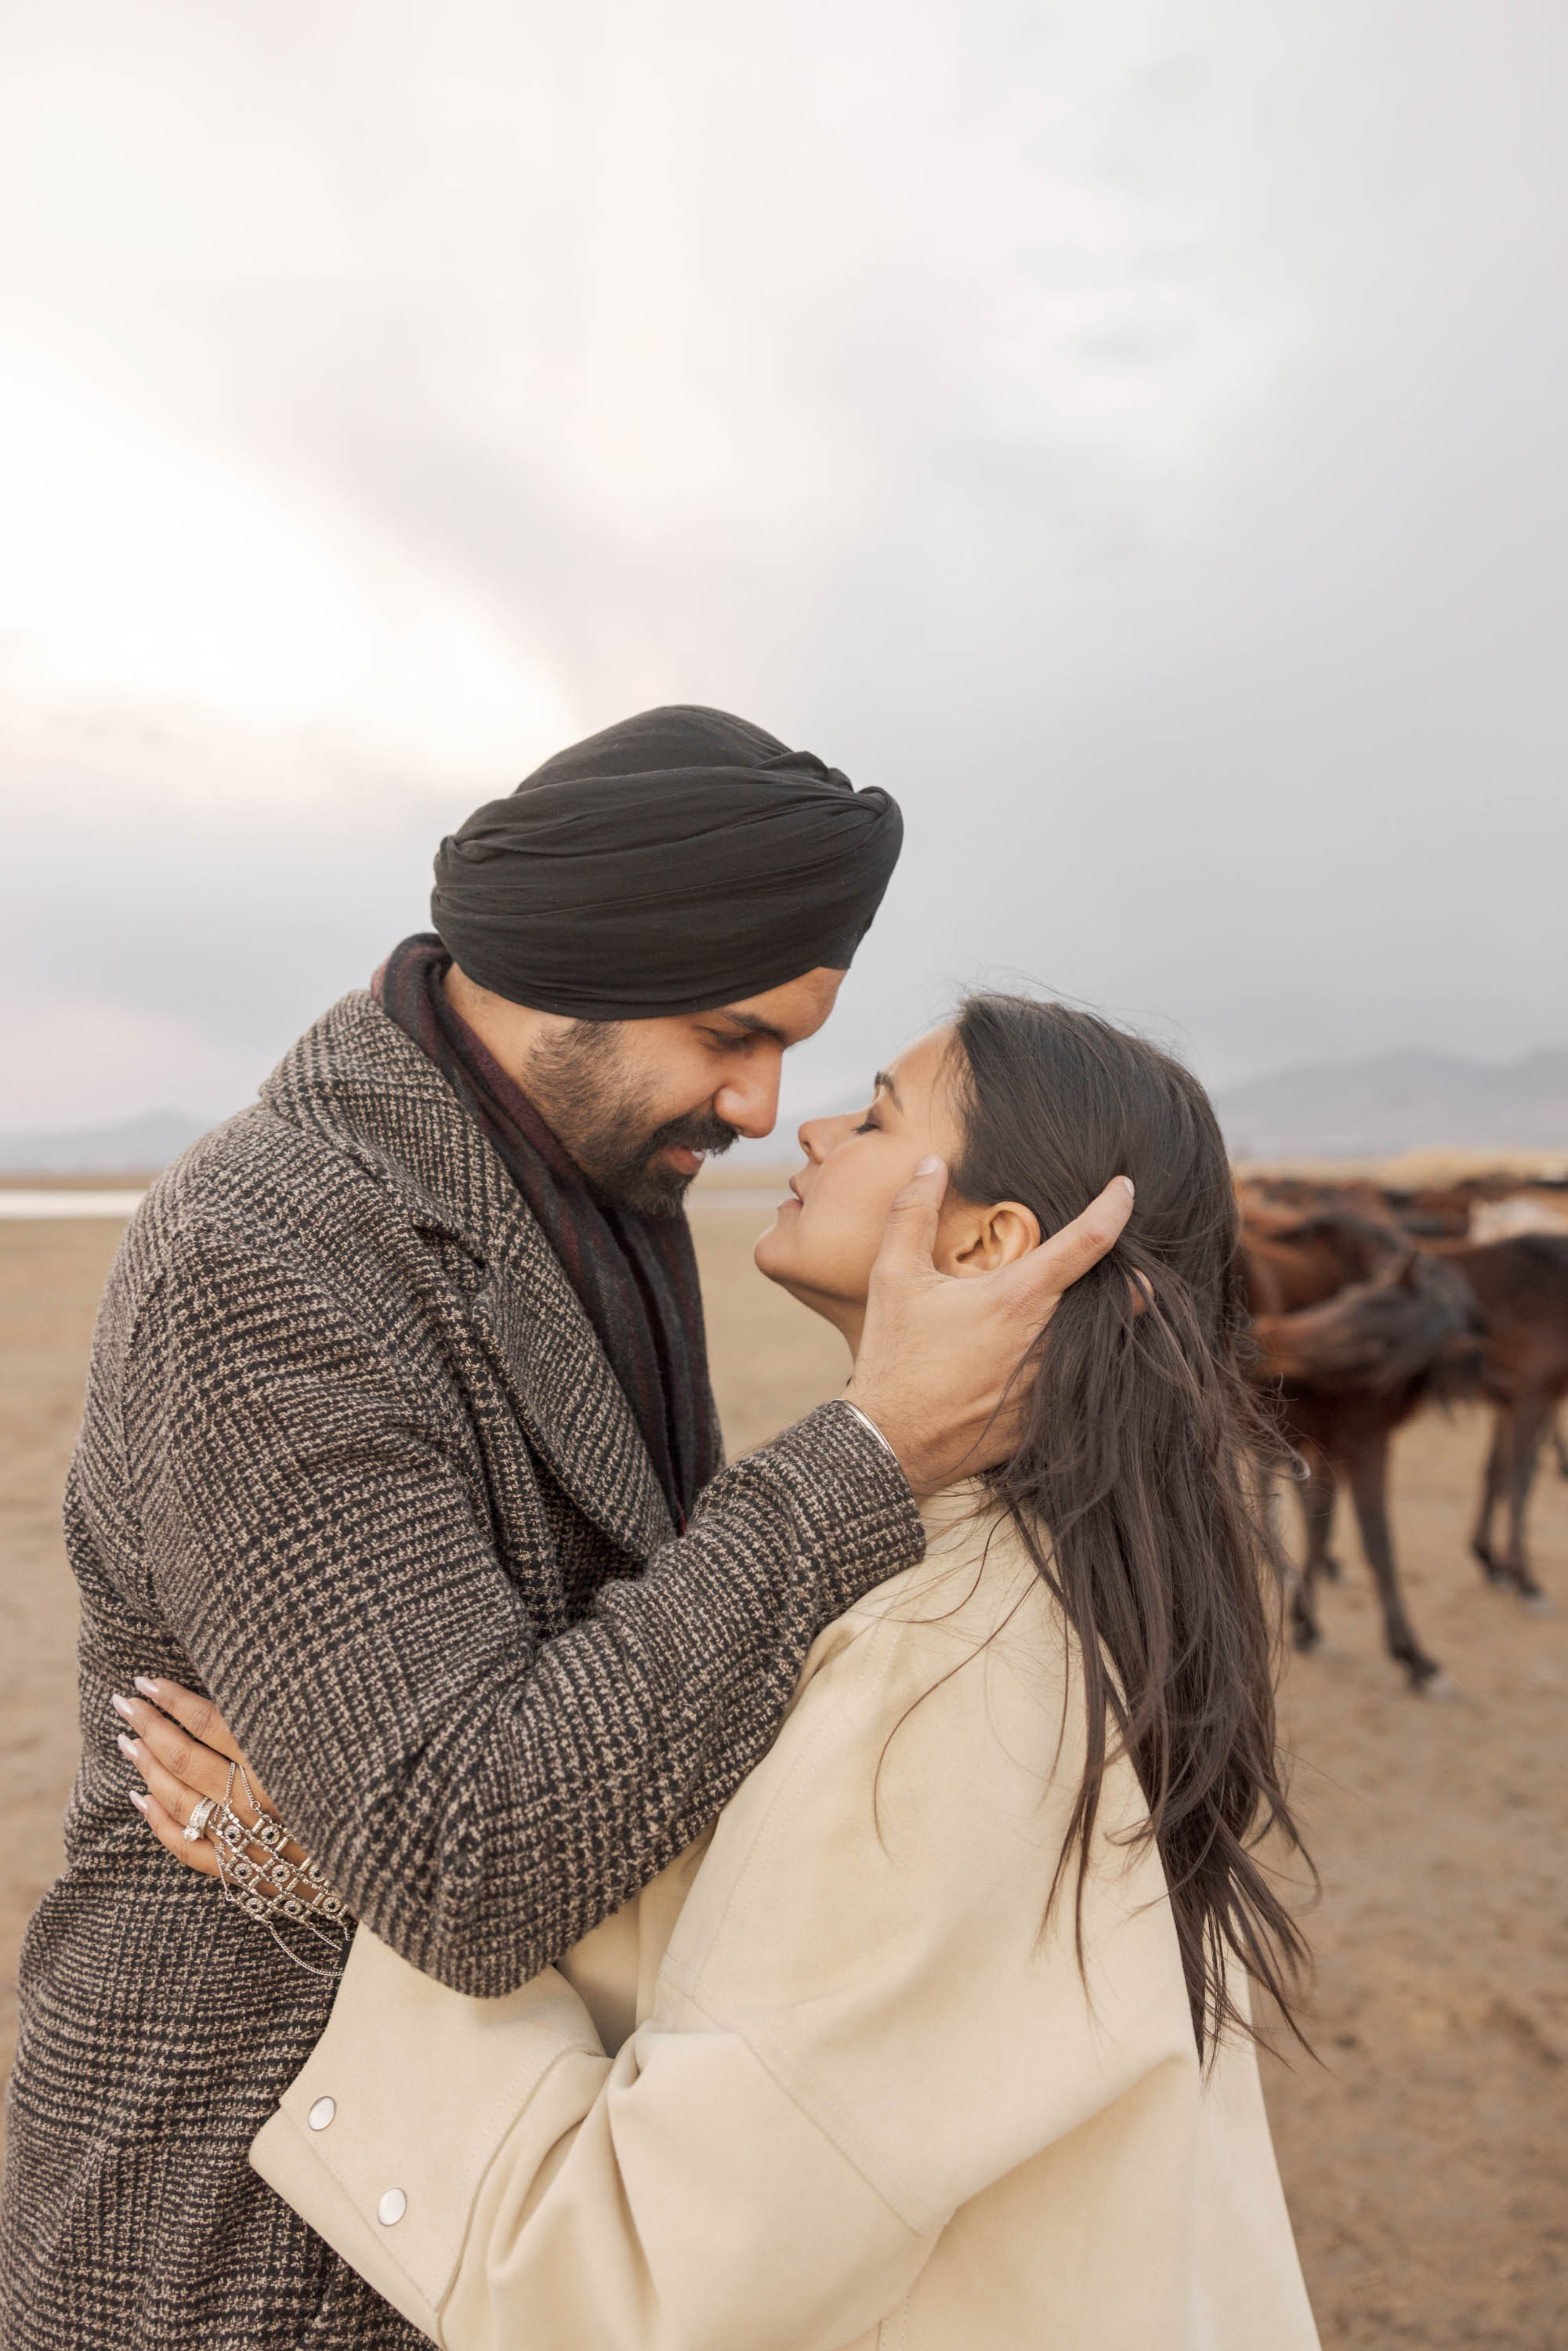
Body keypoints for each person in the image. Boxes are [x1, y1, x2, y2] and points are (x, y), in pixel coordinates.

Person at [0, 708, 1130, 2351]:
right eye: (730, 1034)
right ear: (578, 956)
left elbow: (631, 1690)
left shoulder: (606, 1177)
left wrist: (328, 1846)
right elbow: (468, 1863)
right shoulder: (265, 1253)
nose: (761, 1106)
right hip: (242, 2204)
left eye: (798, 1050)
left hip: (507, 2154)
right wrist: (866, 1455)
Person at [127, 995, 1320, 2350]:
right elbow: (746, 1963)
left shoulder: (948, 1667)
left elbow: (647, 2284)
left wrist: (362, 1924)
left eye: (874, 1114)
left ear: (987, 1246)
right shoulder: (1003, 1575)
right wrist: (355, 1856)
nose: (795, 1121)